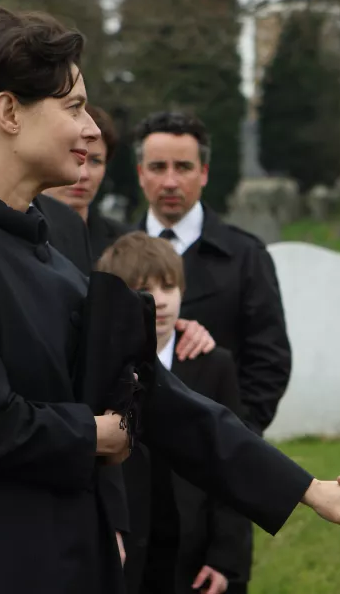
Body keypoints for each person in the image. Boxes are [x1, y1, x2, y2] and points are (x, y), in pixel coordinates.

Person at [0, 5, 340, 594]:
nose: (91, 129)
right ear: (8, 112)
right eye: (73, 106)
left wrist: (307, 489)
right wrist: (94, 435)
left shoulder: (50, 254)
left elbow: (158, 398)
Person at [133, 110, 294, 592]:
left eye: (183, 167)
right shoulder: (111, 249)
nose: (170, 181)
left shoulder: (245, 257)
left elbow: (269, 363)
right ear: (139, 172)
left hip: (213, 479)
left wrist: (230, 440)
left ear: (204, 172)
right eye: (157, 167)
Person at [97, 232, 248, 594]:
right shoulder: (101, 368)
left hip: (191, 552)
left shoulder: (214, 365)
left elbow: (232, 466)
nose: (160, 301)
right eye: (144, 288)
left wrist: (226, 557)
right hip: (126, 550)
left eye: (169, 287)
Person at [42, 103, 130, 264]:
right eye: (72, 157)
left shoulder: (126, 245)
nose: (83, 174)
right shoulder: (14, 236)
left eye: (95, 161)